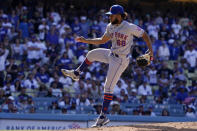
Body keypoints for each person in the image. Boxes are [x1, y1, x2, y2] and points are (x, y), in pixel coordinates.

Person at [61, 5, 153, 127]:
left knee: (108, 87)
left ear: (120, 16)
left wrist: (151, 51)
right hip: (111, 54)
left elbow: (144, 34)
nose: (110, 17)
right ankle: (76, 73)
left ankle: (103, 117)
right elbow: (102, 40)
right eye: (109, 15)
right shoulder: (110, 26)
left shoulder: (129, 27)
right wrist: (86, 40)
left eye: (112, 15)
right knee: (91, 54)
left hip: (120, 60)